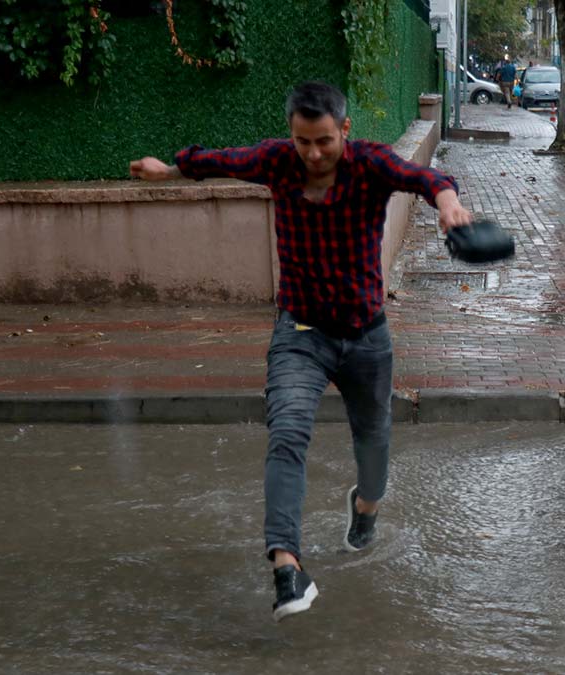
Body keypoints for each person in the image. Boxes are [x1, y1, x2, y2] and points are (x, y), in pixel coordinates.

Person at [128, 81, 472, 622]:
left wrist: (448, 202)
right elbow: (223, 161)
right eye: (302, 142)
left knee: (375, 445)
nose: (313, 154)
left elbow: (425, 178)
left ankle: (365, 508)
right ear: (291, 135)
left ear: (345, 132)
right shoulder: (277, 161)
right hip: (300, 333)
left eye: (324, 142)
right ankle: (287, 567)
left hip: (366, 336)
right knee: (286, 432)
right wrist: (168, 171)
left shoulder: (371, 164)